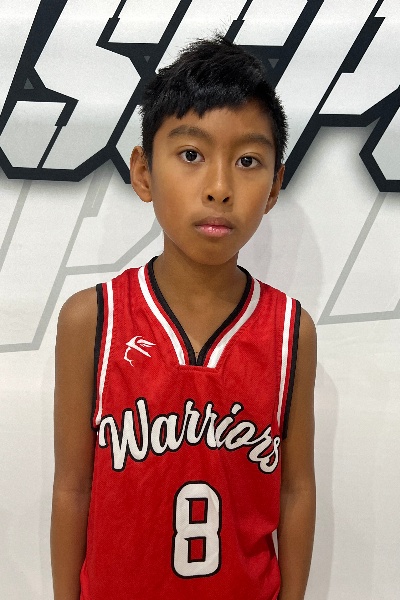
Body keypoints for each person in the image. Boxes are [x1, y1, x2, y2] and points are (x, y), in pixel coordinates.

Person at [51, 32, 316, 600]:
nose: (219, 188)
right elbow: (72, 489)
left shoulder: (291, 330)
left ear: (275, 185)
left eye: (247, 161)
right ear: (143, 172)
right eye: (191, 155)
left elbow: (296, 491)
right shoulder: (92, 320)